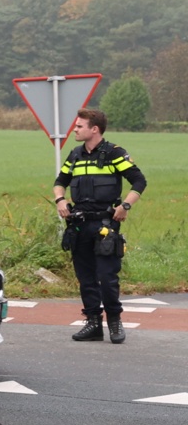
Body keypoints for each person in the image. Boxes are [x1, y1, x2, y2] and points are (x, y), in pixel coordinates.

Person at [54, 108, 146, 344]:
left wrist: (125, 205)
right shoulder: (75, 155)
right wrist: (60, 200)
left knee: (107, 277)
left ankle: (114, 321)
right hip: (79, 225)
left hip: (105, 225)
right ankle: (93, 323)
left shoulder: (114, 153)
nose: (74, 130)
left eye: (79, 126)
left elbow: (139, 181)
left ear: (94, 129)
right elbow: (60, 182)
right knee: (85, 277)